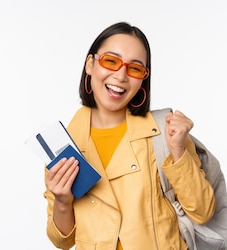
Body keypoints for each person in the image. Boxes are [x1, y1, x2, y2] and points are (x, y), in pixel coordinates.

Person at [43, 21, 216, 250]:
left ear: (143, 79)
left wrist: (178, 151)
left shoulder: (164, 132)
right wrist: (63, 201)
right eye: (111, 61)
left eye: (135, 68)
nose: (121, 76)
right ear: (90, 64)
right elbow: (62, 241)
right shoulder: (65, 142)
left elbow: (202, 212)